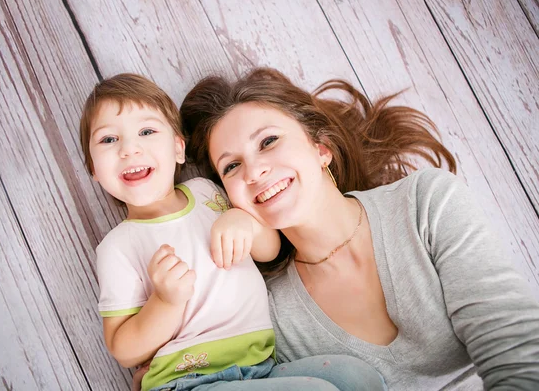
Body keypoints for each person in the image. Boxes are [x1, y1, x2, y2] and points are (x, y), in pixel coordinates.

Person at [180, 67, 539, 390]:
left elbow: (520, 356)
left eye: (269, 141)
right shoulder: (272, 313)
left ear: (321, 149)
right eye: (231, 167)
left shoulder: (424, 204)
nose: (254, 171)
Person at [79, 73, 386, 391]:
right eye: (108, 140)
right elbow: (124, 350)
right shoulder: (119, 247)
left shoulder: (206, 192)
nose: (129, 149)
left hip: (259, 369)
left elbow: (267, 251)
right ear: (93, 169)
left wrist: (246, 223)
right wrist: (166, 302)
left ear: (178, 149)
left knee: (357, 379)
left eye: (146, 131)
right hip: (189, 380)